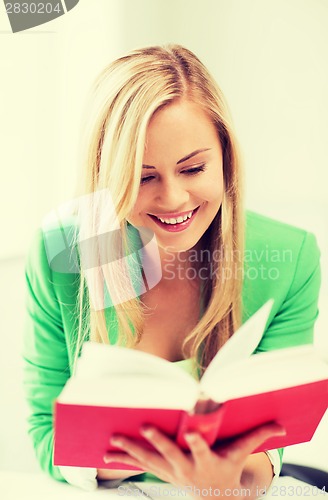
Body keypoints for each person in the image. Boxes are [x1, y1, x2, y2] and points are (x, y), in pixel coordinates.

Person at [23, 44, 321, 496]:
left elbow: (274, 440)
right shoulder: (65, 253)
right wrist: (132, 459)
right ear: (108, 176)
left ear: (225, 158)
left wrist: (224, 486)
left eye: (193, 168)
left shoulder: (289, 255)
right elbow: (47, 432)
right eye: (144, 177)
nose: (175, 199)